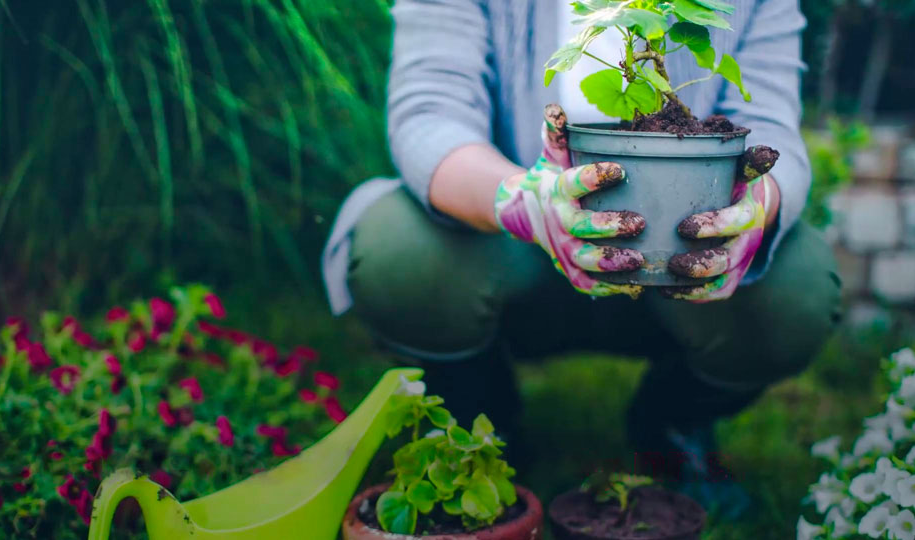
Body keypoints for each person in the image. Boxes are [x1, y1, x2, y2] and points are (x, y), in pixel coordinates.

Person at [321, 0, 841, 509]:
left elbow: (770, 124)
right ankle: (477, 410)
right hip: (506, 250)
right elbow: (429, 115)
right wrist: (526, 202)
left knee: (797, 289)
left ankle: (673, 420)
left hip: (679, 252)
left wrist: (756, 206)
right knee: (398, 250)